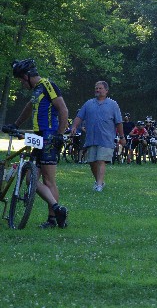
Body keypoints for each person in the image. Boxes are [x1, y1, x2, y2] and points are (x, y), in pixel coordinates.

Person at [8, 59, 69, 228]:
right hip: (38, 137)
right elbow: (29, 107)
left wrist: (59, 135)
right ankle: (57, 210)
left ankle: (53, 219)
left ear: (28, 76)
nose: (21, 83)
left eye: (21, 79)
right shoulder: (36, 91)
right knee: (30, 178)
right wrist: (16, 125)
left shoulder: (48, 85)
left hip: (49, 136)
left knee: (49, 181)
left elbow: (63, 109)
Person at [71, 81, 126, 192]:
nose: (97, 90)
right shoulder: (89, 103)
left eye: (100, 88)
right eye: (96, 88)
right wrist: (74, 126)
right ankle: (99, 181)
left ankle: (99, 185)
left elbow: (119, 122)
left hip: (106, 138)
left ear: (106, 91)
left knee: (101, 160)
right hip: (91, 138)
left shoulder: (113, 104)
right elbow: (79, 116)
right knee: (92, 161)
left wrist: (122, 136)